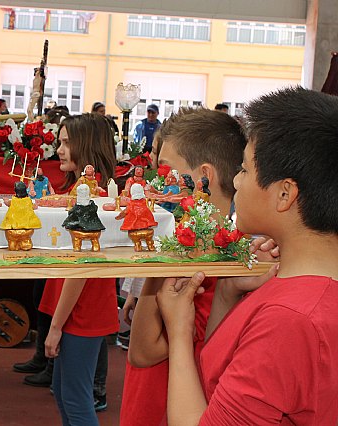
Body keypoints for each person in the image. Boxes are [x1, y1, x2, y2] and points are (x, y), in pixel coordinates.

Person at [157, 87, 338, 425]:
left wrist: (179, 332)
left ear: (284, 194)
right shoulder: (292, 284)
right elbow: (221, 379)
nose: (237, 183)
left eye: (244, 170)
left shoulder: (290, 319)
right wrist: (226, 294)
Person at [121, 107, 248, 426]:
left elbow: (142, 351)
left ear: (203, 176)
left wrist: (156, 270)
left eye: (165, 171)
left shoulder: (201, 251)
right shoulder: (215, 243)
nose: (157, 180)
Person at [41, 113, 119, 423]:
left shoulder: (91, 196)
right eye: (59, 142)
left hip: (81, 308)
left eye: (66, 143)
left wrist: (57, 325)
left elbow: (81, 267)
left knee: (75, 398)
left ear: (84, 146)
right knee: (65, 393)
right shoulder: (83, 190)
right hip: (77, 305)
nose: (59, 149)